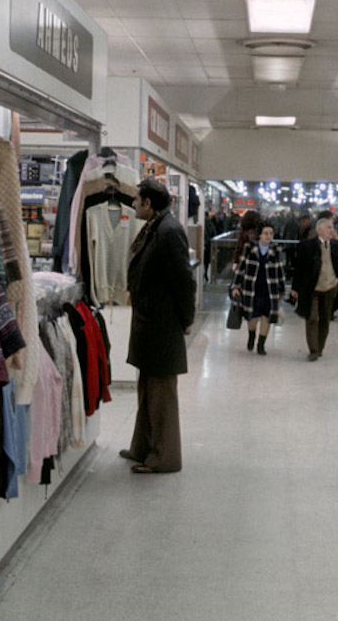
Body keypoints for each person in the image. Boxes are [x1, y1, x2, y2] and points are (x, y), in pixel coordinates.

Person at [122, 178, 197, 474]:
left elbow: (183, 282)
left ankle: (164, 457)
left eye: (136, 200)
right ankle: (143, 446)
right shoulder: (158, 226)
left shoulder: (169, 231)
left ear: (148, 203)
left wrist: (186, 320)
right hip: (150, 323)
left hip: (162, 325)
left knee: (161, 392)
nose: (133, 205)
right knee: (148, 388)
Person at [292, 216, 338, 361]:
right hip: (312, 288)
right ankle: (313, 350)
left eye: (332, 227)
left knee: (325, 319)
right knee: (312, 318)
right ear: (319, 230)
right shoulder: (307, 246)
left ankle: (320, 347)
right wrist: (295, 288)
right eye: (328, 227)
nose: (331, 230)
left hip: (330, 287)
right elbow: (299, 269)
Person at [231, 222, 287, 356]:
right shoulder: (249, 247)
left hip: (270, 289)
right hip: (252, 288)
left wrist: (281, 290)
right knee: (252, 317)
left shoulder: (276, 249)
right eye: (266, 233)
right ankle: (251, 335)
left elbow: (280, 270)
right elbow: (241, 267)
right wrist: (236, 286)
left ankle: (261, 344)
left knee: (266, 317)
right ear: (260, 235)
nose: (269, 236)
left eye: (271, 234)